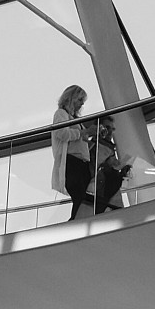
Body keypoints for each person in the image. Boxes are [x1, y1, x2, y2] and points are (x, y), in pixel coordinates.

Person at [48, 85, 94, 219]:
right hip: (72, 162)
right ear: (71, 98)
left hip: (82, 162)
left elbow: (79, 138)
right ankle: (74, 224)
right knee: (80, 198)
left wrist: (90, 136)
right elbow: (61, 133)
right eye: (80, 100)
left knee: (83, 200)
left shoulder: (74, 119)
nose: (81, 104)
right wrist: (83, 133)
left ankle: (76, 223)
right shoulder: (61, 114)